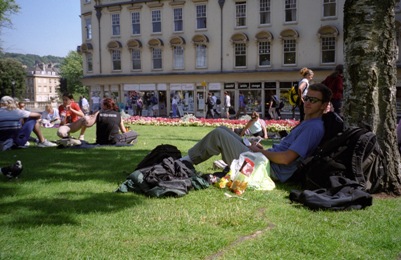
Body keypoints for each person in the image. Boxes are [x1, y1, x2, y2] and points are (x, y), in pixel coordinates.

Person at [181, 83, 332, 183]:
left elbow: (286, 159)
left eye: (314, 100)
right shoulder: (308, 123)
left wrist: (261, 153)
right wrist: (263, 151)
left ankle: (183, 164)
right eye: (306, 98)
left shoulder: (313, 128)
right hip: (264, 162)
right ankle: (185, 161)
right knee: (223, 129)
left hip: (266, 171)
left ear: (324, 105)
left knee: (219, 135)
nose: (308, 102)